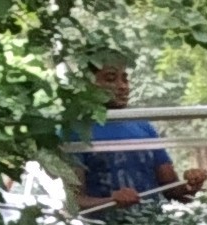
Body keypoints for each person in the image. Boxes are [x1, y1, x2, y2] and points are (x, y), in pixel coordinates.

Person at [74, 66, 178, 214]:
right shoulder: (76, 130)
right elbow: (74, 200)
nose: (123, 86)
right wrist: (111, 201)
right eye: (111, 79)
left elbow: (173, 190)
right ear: (88, 84)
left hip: (153, 223)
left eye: (125, 79)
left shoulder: (142, 125)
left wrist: (192, 182)